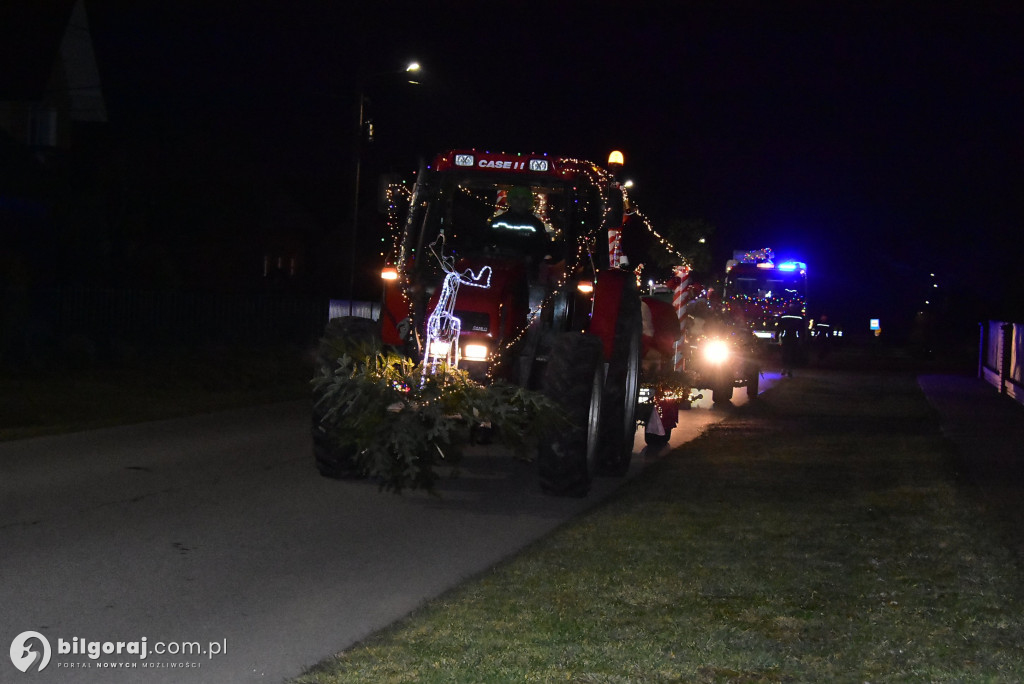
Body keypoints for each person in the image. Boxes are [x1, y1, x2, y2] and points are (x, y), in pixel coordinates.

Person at [486, 186, 550, 258]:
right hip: (501, 264)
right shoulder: (497, 222)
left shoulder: (535, 224)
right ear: (511, 200)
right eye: (516, 198)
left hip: (525, 266)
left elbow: (541, 248)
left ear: (528, 202)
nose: (519, 202)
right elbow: (488, 243)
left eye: (523, 199)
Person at [779, 306, 803, 377]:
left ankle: (784, 369)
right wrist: (801, 338)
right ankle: (789, 370)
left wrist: (778, 336)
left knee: (785, 354)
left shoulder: (784, 316)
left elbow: (780, 327)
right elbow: (801, 329)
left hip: (786, 337)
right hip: (794, 338)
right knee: (791, 354)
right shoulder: (799, 317)